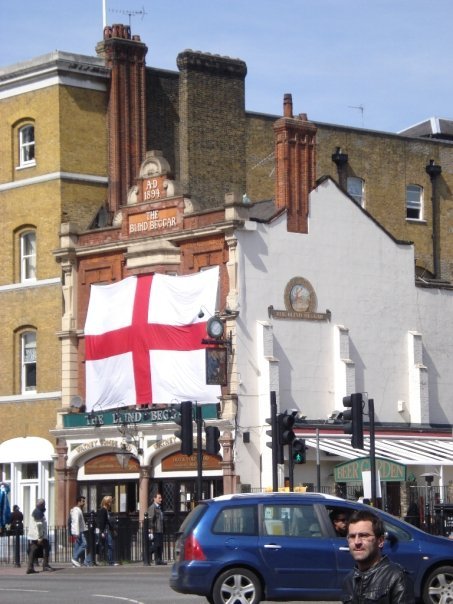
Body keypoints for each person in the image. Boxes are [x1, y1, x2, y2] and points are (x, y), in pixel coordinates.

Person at [342, 509, 415, 604]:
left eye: (364, 535)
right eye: (352, 536)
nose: (357, 542)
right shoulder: (348, 580)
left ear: (380, 541)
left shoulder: (397, 577)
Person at [26, 498, 53, 574]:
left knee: (33, 549)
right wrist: (40, 537)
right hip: (38, 535)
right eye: (44, 505)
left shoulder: (37, 511)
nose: (45, 506)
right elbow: (39, 525)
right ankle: (45, 565)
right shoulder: (38, 512)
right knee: (46, 548)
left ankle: (30, 567)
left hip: (34, 535)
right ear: (41, 505)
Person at [70, 495, 92, 567]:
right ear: (78, 502)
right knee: (84, 544)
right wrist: (76, 533)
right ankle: (75, 558)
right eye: (83, 501)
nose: (84, 503)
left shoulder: (78, 510)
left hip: (78, 531)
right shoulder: (76, 510)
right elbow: (75, 522)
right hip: (79, 531)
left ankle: (74, 562)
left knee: (77, 546)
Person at [96, 495, 116, 565]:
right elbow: (101, 522)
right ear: (107, 502)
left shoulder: (106, 510)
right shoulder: (103, 510)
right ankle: (110, 561)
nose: (111, 503)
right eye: (110, 502)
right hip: (104, 531)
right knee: (107, 545)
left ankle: (110, 561)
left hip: (106, 530)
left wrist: (112, 529)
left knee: (105, 545)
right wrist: (101, 532)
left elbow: (107, 521)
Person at [147, 493, 166, 565]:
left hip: (160, 529)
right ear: (154, 499)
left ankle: (159, 560)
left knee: (160, 546)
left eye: (161, 498)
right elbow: (151, 519)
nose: (161, 499)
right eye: (159, 498)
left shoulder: (159, 508)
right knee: (156, 545)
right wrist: (151, 529)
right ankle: (147, 553)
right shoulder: (153, 507)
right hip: (156, 529)